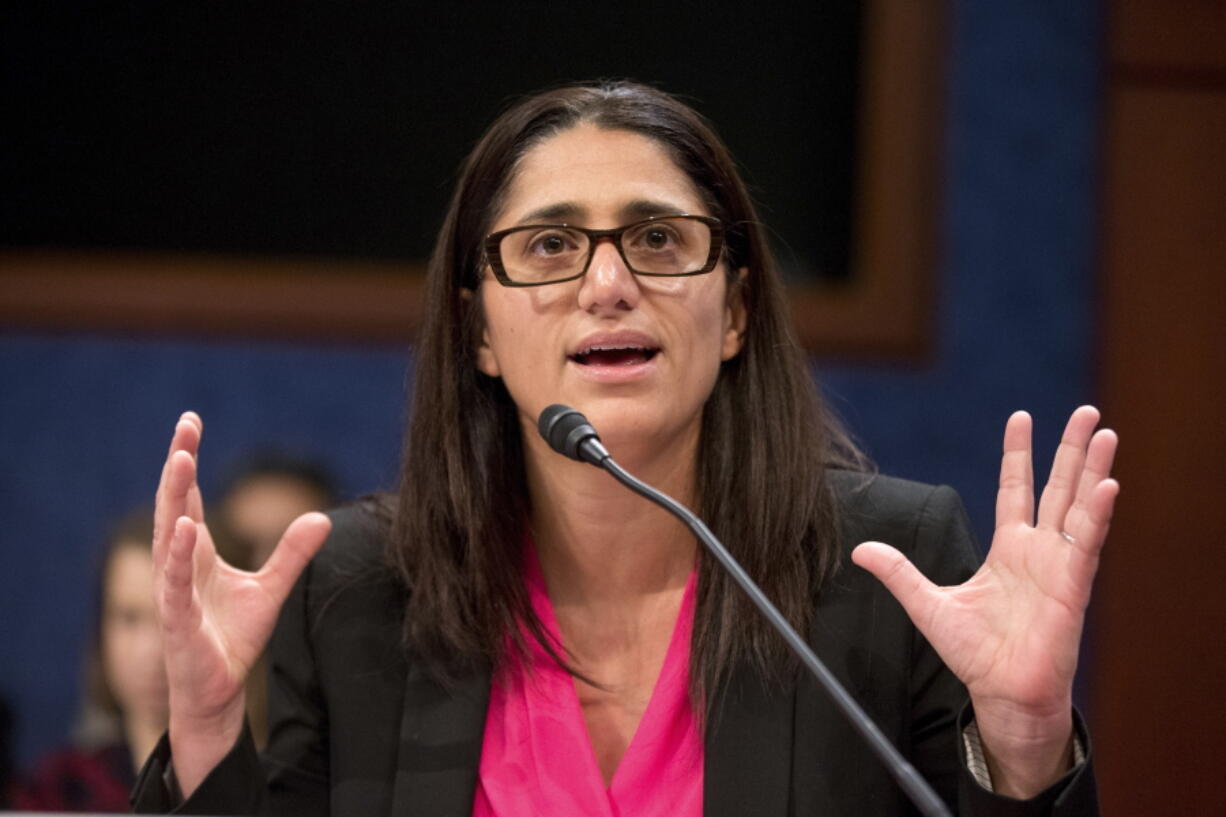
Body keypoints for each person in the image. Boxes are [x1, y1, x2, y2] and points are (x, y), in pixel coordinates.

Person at [134, 81, 1118, 816]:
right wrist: (211, 727)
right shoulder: (361, 589)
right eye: (550, 246)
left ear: (733, 310)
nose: (606, 283)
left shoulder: (884, 570)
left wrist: (1024, 743)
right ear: (477, 330)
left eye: (656, 239)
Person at [15, 511, 168, 812]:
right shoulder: (60, 789)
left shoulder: (265, 789)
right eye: (128, 618)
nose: (150, 651)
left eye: (171, 619)